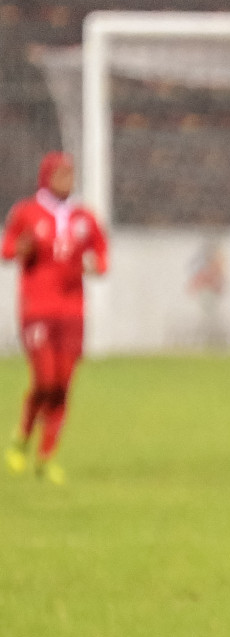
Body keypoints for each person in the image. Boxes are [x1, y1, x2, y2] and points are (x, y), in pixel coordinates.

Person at [2, 152, 109, 484]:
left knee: (63, 384)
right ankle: (21, 437)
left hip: (72, 310)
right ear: (46, 177)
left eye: (71, 175)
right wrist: (20, 249)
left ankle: (46, 458)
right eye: (61, 175)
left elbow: (102, 252)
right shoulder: (27, 212)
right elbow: (7, 250)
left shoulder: (83, 217)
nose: (68, 180)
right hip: (36, 309)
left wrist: (97, 265)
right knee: (45, 380)